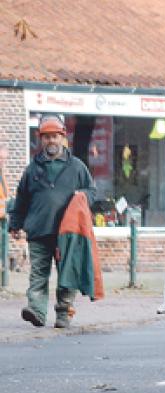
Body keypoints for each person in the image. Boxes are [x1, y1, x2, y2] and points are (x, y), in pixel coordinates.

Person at [7, 115, 95, 329]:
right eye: (46, 137)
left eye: (54, 136)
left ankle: (64, 313)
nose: (51, 141)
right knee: (38, 272)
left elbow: (92, 192)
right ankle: (36, 310)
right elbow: (22, 199)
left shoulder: (76, 167)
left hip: (68, 231)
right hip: (38, 229)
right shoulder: (32, 169)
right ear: (40, 139)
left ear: (63, 137)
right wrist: (15, 224)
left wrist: (80, 195)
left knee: (67, 273)